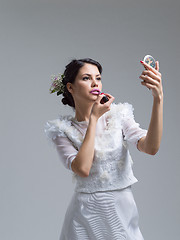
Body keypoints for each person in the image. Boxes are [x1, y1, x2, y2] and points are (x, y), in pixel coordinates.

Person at [44, 58, 163, 240]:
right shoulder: (61, 129)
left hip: (121, 210)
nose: (95, 83)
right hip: (84, 214)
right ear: (70, 87)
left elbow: (151, 147)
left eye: (98, 78)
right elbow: (82, 168)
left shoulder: (118, 115)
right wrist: (93, 119)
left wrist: (158, 99)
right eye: (86, 78)